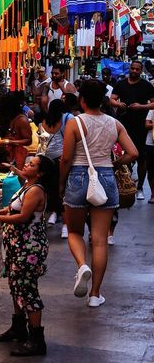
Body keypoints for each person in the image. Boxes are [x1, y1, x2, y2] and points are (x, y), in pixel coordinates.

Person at [59, 80, 138, 307]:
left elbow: (66, 159)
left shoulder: (75, 123)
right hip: (104, 177)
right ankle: (95, 295)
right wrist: (114, 165)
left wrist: (61, 184)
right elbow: (132, 153)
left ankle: (82, 265)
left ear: (82, 100)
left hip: (77, 176)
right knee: (100, 241)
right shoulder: (115, 124)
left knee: (74, 231)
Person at [0, 155, 56, 357]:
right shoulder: (27, 185)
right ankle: (18, 328)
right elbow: (13, 207)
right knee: (16, 286)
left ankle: (36, 340)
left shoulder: (35, 190)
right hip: (18, 245)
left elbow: (24, 216)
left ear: (40, 173)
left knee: (27, 290)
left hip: (29, 248)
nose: (26, 165)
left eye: (32, 164)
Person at [109, 61, 154, 196]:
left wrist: (140, 107)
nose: (134, 71)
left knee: (141, 157)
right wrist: (118, 104)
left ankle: (140, 187)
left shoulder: (146, 86)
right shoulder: (121, 83)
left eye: (137, 69)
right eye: (132, 68)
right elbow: (112, 99)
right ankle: (125, 183)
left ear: (141, 71)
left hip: (140, 125)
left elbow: (153, 103)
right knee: (123, 154)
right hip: (123, 124)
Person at [38, 99, 72, 235]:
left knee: (48, 191)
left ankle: (49, 216)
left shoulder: (44, 122)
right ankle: (65, 225)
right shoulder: (67, 118)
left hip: (46, 160)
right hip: (61, 159)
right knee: (62, 192)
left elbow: (42, 143)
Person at [0, 91, 32, 169]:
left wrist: (10, 142)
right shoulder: (8, 118)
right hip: (6, 155)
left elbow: (28, 140)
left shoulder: (22, 120)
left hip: (16, 157)